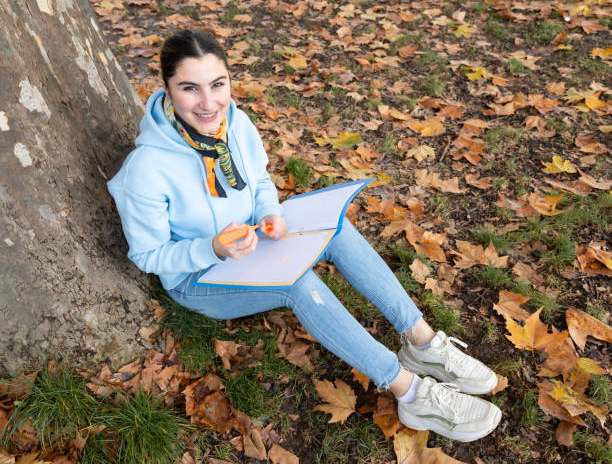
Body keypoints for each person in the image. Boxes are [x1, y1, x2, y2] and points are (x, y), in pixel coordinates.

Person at [108, 30, 502, 443]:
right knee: (297, 282)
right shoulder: (146, 169)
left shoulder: (234, 122)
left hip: (255, 242)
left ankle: (421, 341)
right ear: (167, 89)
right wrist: (212, 247)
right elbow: (149, 256)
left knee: (334, 225)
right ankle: (411, 392)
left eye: (217, 84)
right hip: (199, 277)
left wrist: (270, 213)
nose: (208, 103)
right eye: (190, 88)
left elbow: (258, 180)